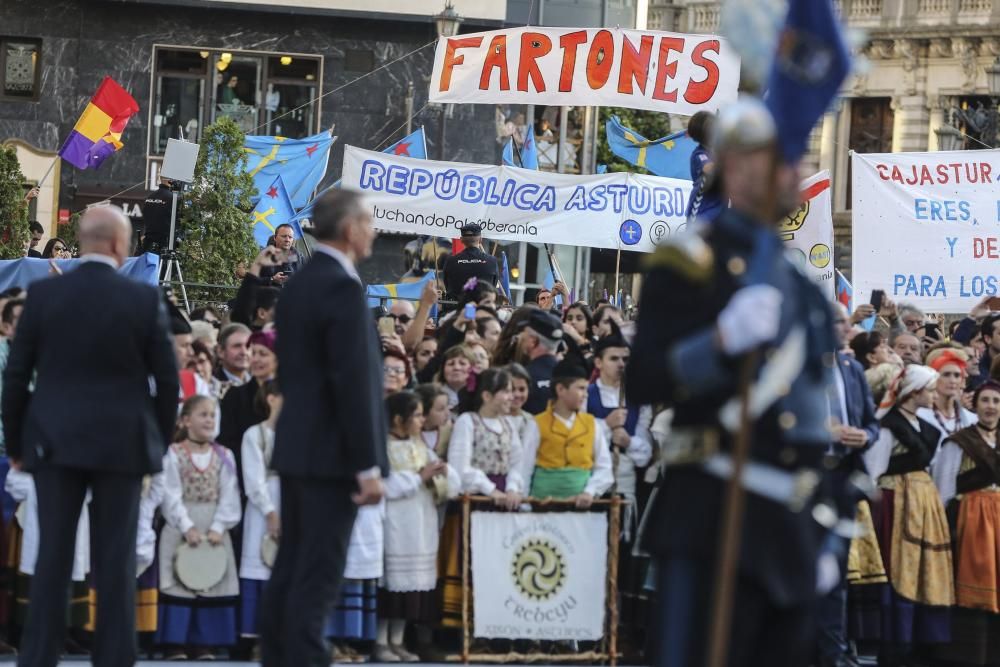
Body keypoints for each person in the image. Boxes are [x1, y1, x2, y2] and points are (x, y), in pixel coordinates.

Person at [626, 98, 837, 667]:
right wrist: (717, 342)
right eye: (784, 160)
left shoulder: (800, 283)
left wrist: (824, 524)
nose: (798, 174)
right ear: (740, 168)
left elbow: (813, 415)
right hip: (714, 513)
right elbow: (644, 378)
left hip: (789, 528)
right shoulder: (691, 259)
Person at [2, 205, 179, 667]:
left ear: (82, 241)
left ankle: (38, 658)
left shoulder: (42, 297)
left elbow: (17, 376)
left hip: (54, 443)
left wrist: (18, 446)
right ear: (122, 246)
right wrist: (156, 445)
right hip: (123, 446)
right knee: (115, 562)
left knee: (53, 559)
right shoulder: (143, 300)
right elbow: (168, 380)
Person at [260, 189, 387, 667]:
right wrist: (366, 463)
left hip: (299, 447)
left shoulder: (300, 282)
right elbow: (352, 382)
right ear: (351, 229)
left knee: (293, 568)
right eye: (370, 222)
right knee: (316, 575)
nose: (374, 231)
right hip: (333, 456)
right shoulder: (341, 287)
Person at [863, 365, 954, 665]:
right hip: (895, 502)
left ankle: (920, 638)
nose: (933, 394)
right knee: (898, 566)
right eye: (929, 389)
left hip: (922, 500)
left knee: (923, 567)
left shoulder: (925, 427)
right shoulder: (889, 427)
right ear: (914, 392)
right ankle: (896, 641)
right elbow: (872, 473)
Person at [819, 303, 881, 667]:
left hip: (842, 477)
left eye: (845, 322)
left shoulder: (852, 368)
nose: (845, 327)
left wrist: (864, 435)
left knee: (836, 575)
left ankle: (833, 654)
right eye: (837, 321)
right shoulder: (794, 365)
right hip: (804, 479)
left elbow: (872, 422)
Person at [157, 395, 241, 659]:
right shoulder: (173, 453)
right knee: (179, 579)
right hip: (183, 523)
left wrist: (219, 526)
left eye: (212, 415)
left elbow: (230, 493)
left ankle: (205, 641)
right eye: (203, 415)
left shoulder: (224, 455)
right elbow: (169, 493)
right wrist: (185, 525)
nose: (209, 420)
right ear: (185, 420)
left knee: (211, 579)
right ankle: (176, 641)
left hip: (213, 523)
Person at [377, 391, 458, 662]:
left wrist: (444, 473)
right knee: (392, 587)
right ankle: (381, 641)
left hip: (420, 524)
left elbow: (444, 481)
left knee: (409, 591)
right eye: (417, 415)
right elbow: (384, 486)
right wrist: (418, 478)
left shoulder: (420, 446)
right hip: (397, 524)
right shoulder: (383, 448)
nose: (422, 421)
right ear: (399, 419)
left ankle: (398, 641)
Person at [929, 380, 1000, 666]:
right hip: (971, 522)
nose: (991, 407)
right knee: (972, 590)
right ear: (975, 404)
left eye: (996, 401)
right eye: (985, 401)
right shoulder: (959, 442)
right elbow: (943, 490)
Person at [522, 359, 613, 505]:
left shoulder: (592, 424)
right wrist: (524, 504)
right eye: (580, 388)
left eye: (586, 389)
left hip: (581, 509)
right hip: (541, 506)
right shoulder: (537, 423)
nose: (585, 395)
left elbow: (604, 467)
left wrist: (590, 492)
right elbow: (524, 468)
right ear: (560, 390)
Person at [239, 380, 283, 642]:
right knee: (261, 563)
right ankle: (258, 638)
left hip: (291, 503)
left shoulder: (296, 433)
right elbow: (253, 480)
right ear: (272, 399)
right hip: (262, 508)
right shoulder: (254, 435)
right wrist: (270, 512)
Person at [918, 345, 976, 451]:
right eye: (946, 374)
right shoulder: (919, 417)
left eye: (957, 375)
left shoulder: (973, 419)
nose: (952, 380)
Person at [516, 309, 564, 415]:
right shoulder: (570, 376)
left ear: (533, 341)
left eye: (524, 333)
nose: (521, 337)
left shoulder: (523, 378)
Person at [441, 223, 499, 304]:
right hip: (483, 308)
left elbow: (447, 286)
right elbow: (493, 286)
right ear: (480, 239)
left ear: (461, 240)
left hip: (456, 309)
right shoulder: (492, 261)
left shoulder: (451, 261)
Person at [685, 110, 723, 223]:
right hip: (700, 213)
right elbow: (709, 169)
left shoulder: (719, 152)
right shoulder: (699, 154)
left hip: (719, 214)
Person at [415, 383, 452, 459]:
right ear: (424, 412)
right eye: (441, 409)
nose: (447, 413)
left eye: (448, 407)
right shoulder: (412, 435)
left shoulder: (450, 431)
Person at [141, 178, 173, 253]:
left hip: (147, 245)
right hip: (165, 246)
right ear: (171, 180)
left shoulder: (149, 197)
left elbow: (145, 217)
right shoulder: (174, 198)